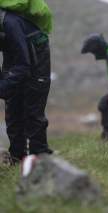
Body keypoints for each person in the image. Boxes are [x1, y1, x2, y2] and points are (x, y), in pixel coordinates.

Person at [0, 0, 53, 164]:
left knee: (33, 111)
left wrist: (4, 87)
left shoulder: (10, 23)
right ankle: (18, 158)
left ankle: (41, 158)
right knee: (13, 111)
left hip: (36, 58)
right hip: (15, 56)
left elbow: (24, 64)